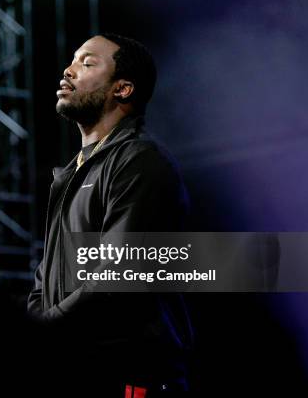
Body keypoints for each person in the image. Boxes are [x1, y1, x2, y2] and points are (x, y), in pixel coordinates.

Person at [27, 33, 193, 396]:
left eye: (87, 63)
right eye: (72, 61)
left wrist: (42, 329)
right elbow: (48, 275)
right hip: (77, 370)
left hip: (128, 374)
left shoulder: (141, 161)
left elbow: (118, 276)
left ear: (123, 89)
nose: (68, 71)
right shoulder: (71, 173)